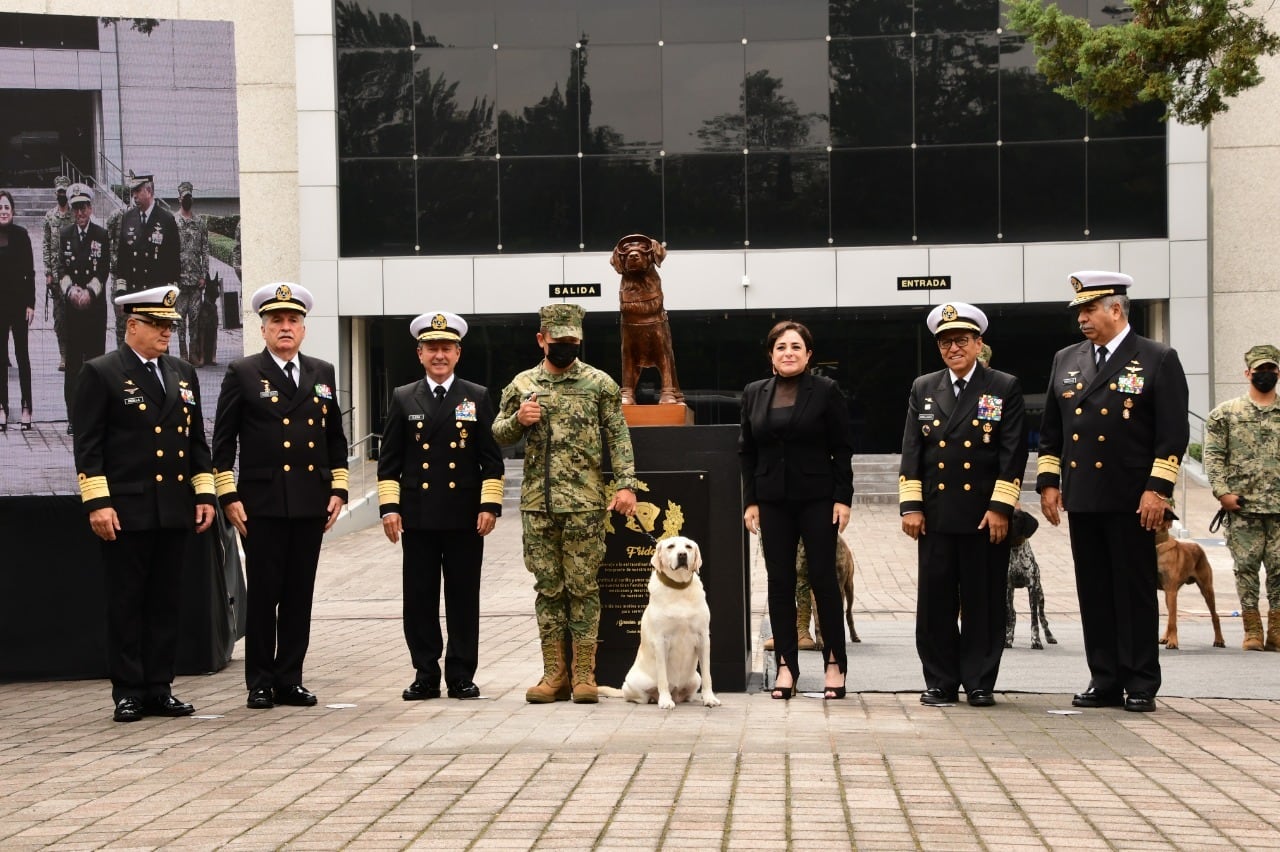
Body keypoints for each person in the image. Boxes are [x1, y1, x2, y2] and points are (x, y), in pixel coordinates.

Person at [1037, 270, 1189, 713]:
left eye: (1089, 310)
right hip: (1083, 496)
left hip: (1132, 498)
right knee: (1095, 591)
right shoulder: (1066, 359)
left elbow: (1172, 434)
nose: (1082, 319)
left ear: (1116, 309)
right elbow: (1051, 431)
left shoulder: (1157, 358)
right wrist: (1049, 482)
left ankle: (1140, 680)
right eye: (1079, 312)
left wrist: (1157, 491)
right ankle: (1104, 678)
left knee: (1134, 590)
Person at [70, 285, 216, 722]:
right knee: (127, 602)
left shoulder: (181, 372)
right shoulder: (102, 372)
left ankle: (160, 686)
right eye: (157, 324)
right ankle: (128, 690)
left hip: (172, 506)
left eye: (170, 324)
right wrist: (98, 502)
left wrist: (204, 492)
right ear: (132, 325)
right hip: (127, 509)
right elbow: (88, 446)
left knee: (165, 602)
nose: (166, 332)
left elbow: (196, 442)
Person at [211, 283, 349, 710]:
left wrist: (339, 489)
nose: (285, 328)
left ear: (303, 329)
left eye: (292, 321)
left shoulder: (321, 372)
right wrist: (227, 494)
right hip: (261, 504)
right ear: (264, 329)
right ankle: (260, 681)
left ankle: (290, 678)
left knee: (298, 594)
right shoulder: (244, 373)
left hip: (309, 503)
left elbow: (334, 439)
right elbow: (223, 441)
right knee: (266, 593)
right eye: (276, 322)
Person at [492, 303, 638, 704]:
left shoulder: (599, 384)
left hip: (585, 506)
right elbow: (498, 433)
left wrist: (625, 485)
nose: (565, 348)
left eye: (572, 342)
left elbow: (619, 437)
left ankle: (584, 675)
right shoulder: (522, 384)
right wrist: (519, 420)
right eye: (558, 342)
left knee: (584, 588)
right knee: (549, 589)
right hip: (538, 507)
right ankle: (553, 674)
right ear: (542, 340)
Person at [898, 303, 1027, 707]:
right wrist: (911, 506)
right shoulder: (924, 387)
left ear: (978, 343)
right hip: (935, 514)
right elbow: (912, 450)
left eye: (961, 340)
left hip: (983, 515)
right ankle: (940, 680)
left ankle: (979, 681)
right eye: (945, 342)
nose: (953, 348)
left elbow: (1013, 452)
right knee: (935, 601)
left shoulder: (1003, 386)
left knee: (982, 601)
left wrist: (1001, 507)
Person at [378, 311, 504, 701]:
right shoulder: (403, 396)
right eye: (432, 348)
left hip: (465, 516)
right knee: (419, 599)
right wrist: (389, 509)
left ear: (458, 352)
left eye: (446, 348)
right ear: (419, 353)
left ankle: (462, 674)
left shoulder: (477, 395)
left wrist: (490, 505)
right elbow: (389, 461)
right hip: (418, 515)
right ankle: (425, 674)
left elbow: (491, 459)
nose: (439, 355)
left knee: (463, 598)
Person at [740, 320, 854, 700]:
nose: (788, 352)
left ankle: (834, 662)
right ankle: (786, 666)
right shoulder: (755, 392)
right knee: (779, 582)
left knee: (823, 579)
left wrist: (843, 498)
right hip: (773, 500)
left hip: (818, 498)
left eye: (796, 347)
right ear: (771, 356)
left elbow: (842, 447)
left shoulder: (826, 391)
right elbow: (748, 452)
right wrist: (751, 500)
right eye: (781, 347)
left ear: (808, 355)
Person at [1203, 343, 1280, 651]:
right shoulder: (1226, 414)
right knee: (1245, 569)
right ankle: (1252, 630)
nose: (1264, 375)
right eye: (1259, 370)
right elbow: (1213, 456)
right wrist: (1222, 493)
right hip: (1242, 508)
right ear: (1247, 373)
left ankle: (1276, 629)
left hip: (1278, 509)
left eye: (1270, 370)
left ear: (1278, 372)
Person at [56, 183, 111, 434]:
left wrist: (89, 292)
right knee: (73, 367)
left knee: (96, 364)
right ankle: (73, 417)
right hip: (72, 311)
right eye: (76, 208)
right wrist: (71, 292)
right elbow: (61, 270)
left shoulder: (101, 235)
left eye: (84, 208)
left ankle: (96, 415)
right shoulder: (65, 234)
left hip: (94, 311)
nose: (80, 213)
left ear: (91, 208)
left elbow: (103, 270)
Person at [112, 172, 179, 339]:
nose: (134, 195)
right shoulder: (128, 218)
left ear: (149, 191)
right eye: (133, 191)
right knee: (136, 345)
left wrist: (169, 300)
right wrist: (121, 293)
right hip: (135, 294)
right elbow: (123, 260)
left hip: (156, 296)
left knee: (158, 345)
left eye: (137, 191)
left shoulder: (166, 220)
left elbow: (174, 263)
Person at [0, 189, 35, 432]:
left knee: (22, 356)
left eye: (6, 207)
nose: (3, 211)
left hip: (19, 305)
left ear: (13, 211)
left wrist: (31, 304)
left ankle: (26, 407)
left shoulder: (22, 236)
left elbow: (30, 273)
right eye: (0, 208)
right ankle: (2, 407)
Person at [174, 181, 211, 365]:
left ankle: (194, 353)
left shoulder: (200, 223)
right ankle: (182, 355)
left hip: (196, 281)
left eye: (189, 197)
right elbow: (169, 251)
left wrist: (204, 274)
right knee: (180, 320)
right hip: (180, 280)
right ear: (179, 198)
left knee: (195, 319)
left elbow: (205, 250)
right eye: (184, 197)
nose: (187, 200)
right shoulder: (173, 222)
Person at [42, 175, 73, 372]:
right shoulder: (50, 216)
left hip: (72, 276)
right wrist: (48, 272)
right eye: (59, 192)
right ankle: (64, 354)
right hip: (55, 276)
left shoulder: (74, 215)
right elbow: (46, 244)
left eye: (64, 192)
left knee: (75, 317)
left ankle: (77, 352)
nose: (62, 195)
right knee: (60, 318)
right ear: (56, 193)